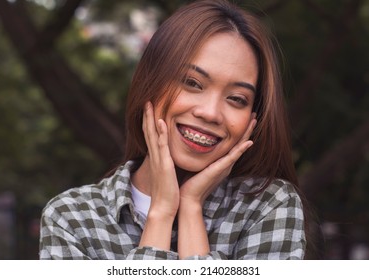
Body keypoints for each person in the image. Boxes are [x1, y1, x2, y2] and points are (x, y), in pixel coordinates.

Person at [39, 0, 307, 260]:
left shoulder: (268, 206)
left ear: (253, 119)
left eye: (237, 98)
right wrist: (162, 212)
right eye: (193, 82)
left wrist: (191, 206)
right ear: (151, 83)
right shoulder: (71, 219)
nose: (210, 112)